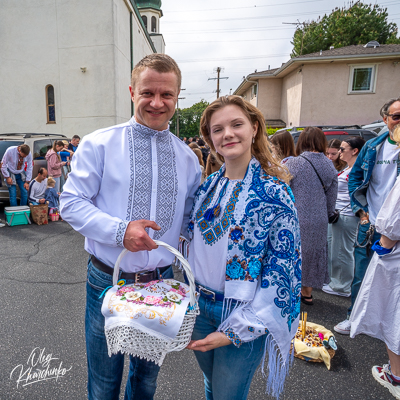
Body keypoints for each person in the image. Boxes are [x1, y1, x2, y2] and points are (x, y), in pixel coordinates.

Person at [60, 53, 201, 400]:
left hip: (163, 285)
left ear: (177, 96)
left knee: (145, 383)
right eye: (147, 93)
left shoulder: (188, 158)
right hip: (108, 280)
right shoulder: (99, 143)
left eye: (166, 94)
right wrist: (120, 231)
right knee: (104, 383)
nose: (157, 102)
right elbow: (71, 203)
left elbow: (188, 224)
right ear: (131, 91)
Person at [186, 95, 301, 400]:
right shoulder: (206, 187)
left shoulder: (275, 192)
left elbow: (282, 268)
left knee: (227, 395)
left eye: (236, 124)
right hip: (199, 308)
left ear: (254, 128)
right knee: (211, 385)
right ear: (210, 139)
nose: (228, 134)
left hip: (243, 312)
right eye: (217, 129)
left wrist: (240, 327)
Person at [334, 97, 400, 335]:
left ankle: (389, 327)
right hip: (371, 224)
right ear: (386, 120)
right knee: (361, 275)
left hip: (397, 228)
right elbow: (355, 177)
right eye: (397, 116)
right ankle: (353, 317)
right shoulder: (374, 147)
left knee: (393, 282)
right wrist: (361, 211)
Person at [350, 125, 400, 400]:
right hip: (378, 228)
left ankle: (396, 375)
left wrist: (385, 241)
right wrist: (364, 213)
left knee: (393, 310)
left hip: (393, 251)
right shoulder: (375, 148)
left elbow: (393, 221)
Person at [285, 127, 338, 305]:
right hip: (319, 217)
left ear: (301, 142)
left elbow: (283, 190)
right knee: (314, 253)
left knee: (294, 252)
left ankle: (291, 289)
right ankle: (307, 292)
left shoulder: (293, 163)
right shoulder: (329, 164)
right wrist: (329, 213)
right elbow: (332, 195)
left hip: (295, 216)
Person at [323, 137, 365, 297]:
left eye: (342, 149)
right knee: (335, 250)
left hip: (346, 214)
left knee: (342, 251)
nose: (339, 152)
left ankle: (342, 286)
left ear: (354, 151)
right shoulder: (349, 168)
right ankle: (335, 281)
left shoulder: (357, 171)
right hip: (338, 214)